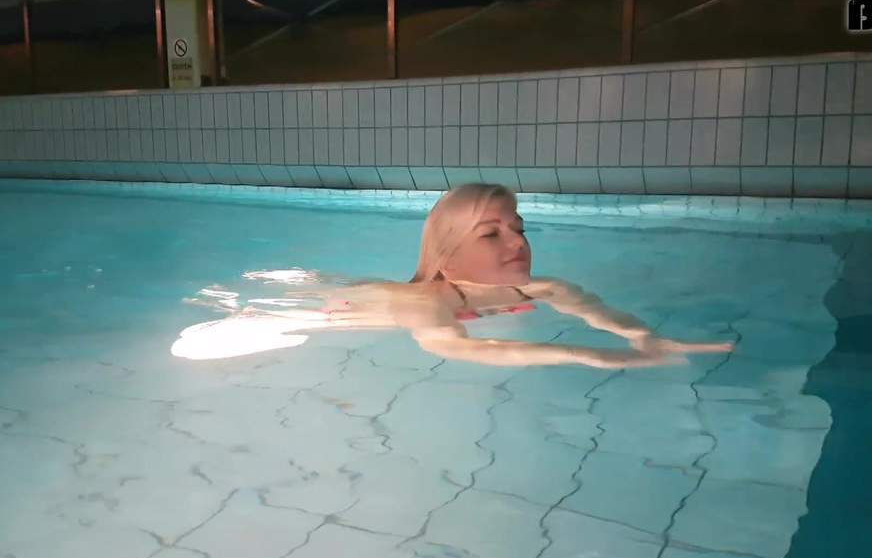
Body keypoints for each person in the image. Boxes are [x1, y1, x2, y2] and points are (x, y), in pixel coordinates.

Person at [172, 183, 734, 367]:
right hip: (334, 312)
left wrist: (641, 336)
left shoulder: (543, 287)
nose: (517, 242)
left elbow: (592, 310)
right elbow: (456, 348)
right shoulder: (426, 304)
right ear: (448, 256)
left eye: (518, 228)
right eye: (491, 235)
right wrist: (586, 356)